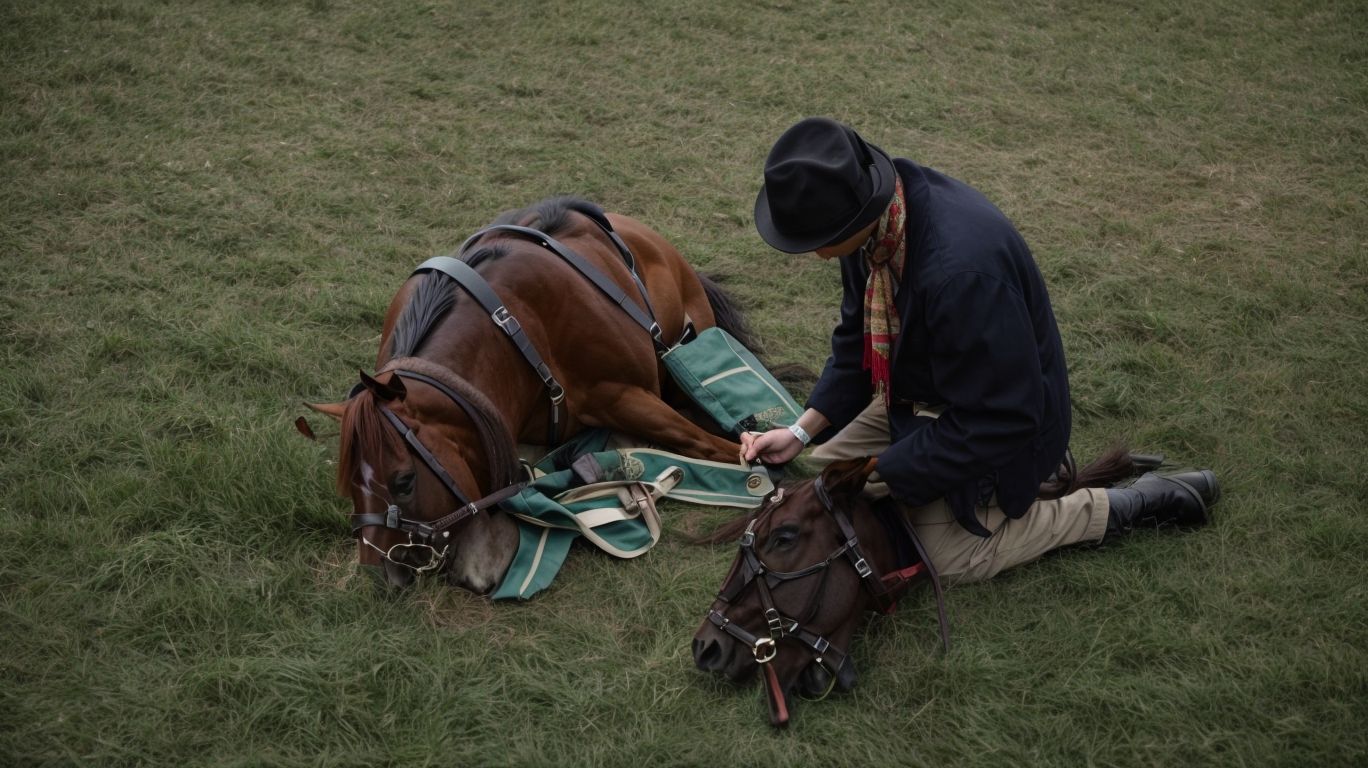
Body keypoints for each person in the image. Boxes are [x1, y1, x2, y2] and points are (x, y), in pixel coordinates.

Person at [740, 117, 1220, 584]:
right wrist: (801, 433)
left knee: (948, 556)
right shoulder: (875, 227)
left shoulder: (961, 273)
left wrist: (886, 469)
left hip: (1005, 425)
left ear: (856, 214)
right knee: (815, 486)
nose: (814, 253)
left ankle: (1129, 502)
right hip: (921, 399)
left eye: (816, 241)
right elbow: (856, 343)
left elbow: (1005, 417)